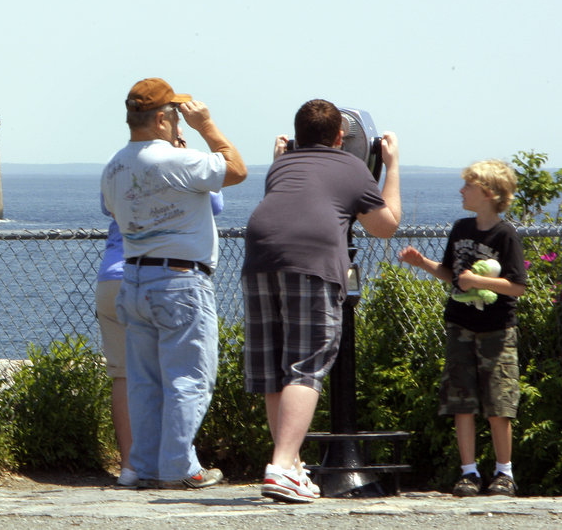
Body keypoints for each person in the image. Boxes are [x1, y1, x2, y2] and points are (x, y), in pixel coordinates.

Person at [241, 99, 401, 503]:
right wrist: (392, 165)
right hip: (311, 260)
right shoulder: (351, 167)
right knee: (305, 365)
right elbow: (385, 227)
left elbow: (287, 198)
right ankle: (280, 468)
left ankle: (291, 466)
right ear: (340, 138)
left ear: (296, 135)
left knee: (274, 366)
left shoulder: (282, 164)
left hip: (260, 257)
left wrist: (277, 157)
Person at [100, 77, 246, 489]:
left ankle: (144, 466)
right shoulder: (175, 161)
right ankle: (180, 468)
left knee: (145, 383)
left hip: (134, 277)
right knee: (189, 378)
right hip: (181, 280)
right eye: (176, 115)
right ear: (163, 118)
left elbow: (111, 209)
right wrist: (207, 126)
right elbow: (236, 169)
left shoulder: (114, 166)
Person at [398, 159, 526, 497]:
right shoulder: (460, 228)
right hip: (460, 326)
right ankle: (468, 472)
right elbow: (450, 273)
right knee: (462, 401)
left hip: (497, 331)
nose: (461, 191)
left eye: (468, 186)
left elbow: (516, 286)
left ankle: (504, 472)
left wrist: (477, 280)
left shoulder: (506, 234)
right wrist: (422, 263)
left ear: (486, 193)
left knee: (499, 403)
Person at [96, 184, 225, 488]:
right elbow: (215, 203)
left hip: (116, 276)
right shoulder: (185, 170)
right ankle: (177, 466)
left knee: (127, 376)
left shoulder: (124, 169)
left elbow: (108, 204)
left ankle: (131, 467)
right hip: (166, 278)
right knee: (179, 375)